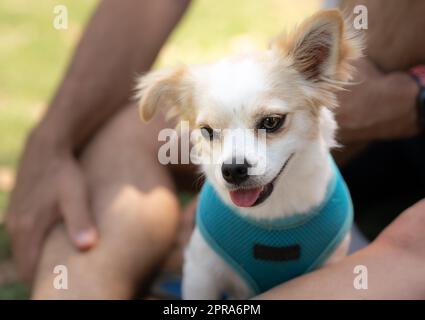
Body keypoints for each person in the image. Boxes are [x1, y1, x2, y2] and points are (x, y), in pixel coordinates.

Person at [5, 0, 425, 299]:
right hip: (343, 115)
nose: (233, 163)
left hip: (395, 213)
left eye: (269, 124)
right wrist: (51, 142)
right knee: (121, 133)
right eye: (210, 133)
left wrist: (413, 100)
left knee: (409, 253)